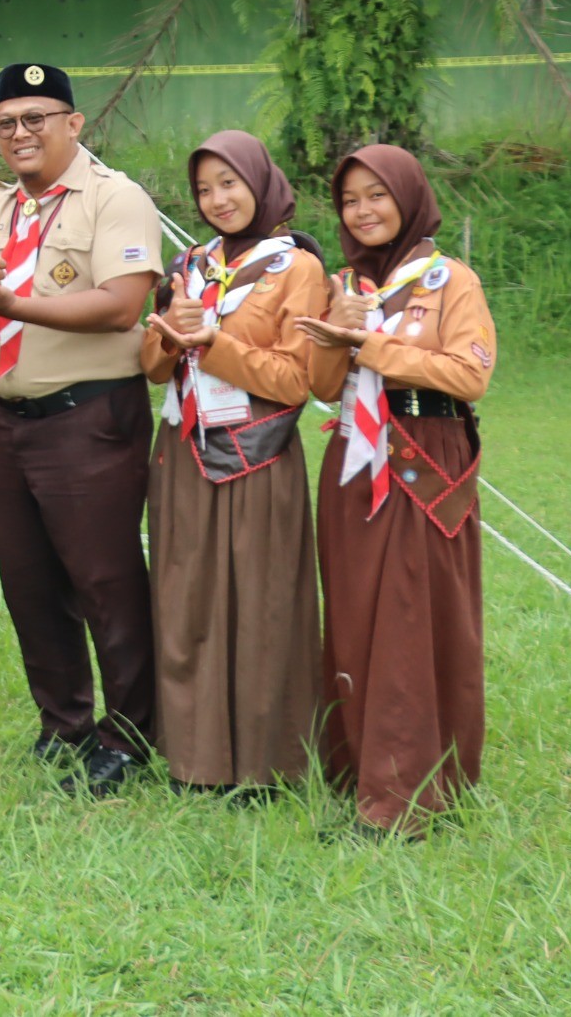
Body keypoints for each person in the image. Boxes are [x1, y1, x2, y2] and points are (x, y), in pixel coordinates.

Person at [0, 62, 162, 797]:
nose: (20, 134)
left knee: (105, 581)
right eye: (6, 123)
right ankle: (63, 724)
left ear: (74, 123)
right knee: (29, 584)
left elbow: (123, 304)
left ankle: (131, 735)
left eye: (36, 119)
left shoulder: (113, 198)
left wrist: (10, 301)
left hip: (88, 416)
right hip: (12, 421)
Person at [296, 145, 494, 835]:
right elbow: (322, 387)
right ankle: (359, 769)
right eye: (350, 200)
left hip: (424, 460)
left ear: (408, 197)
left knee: (411, 617)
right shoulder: (346, 283)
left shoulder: (450, 281)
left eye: (377, 195)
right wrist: (334, 338)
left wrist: (369, 346)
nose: (363, 211)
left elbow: (469, 376)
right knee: (355, 613)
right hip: (353, 459)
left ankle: (403, 797)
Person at [140, 131, 327, 793]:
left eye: (229, 183)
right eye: (204, 189)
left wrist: (213, 342)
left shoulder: (296, 269)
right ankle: (195, 758)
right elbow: (153, 365)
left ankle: (266, 762)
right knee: (186, 600)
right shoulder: (190, 264)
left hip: (258, 456)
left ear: (260, 182)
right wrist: (167, 333)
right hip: (186, 451)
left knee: (261, 603)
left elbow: (297, 378)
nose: (217, 200)